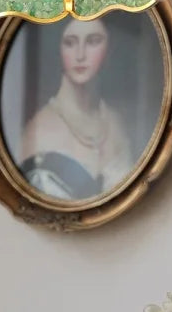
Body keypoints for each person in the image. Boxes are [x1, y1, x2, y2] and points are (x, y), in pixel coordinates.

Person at [19, 16, 134, 200]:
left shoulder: (114, 121)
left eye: (93, 42)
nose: (80, 55)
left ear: (109, 48)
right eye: (70, 43)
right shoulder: (40, 130)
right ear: (58, 48)